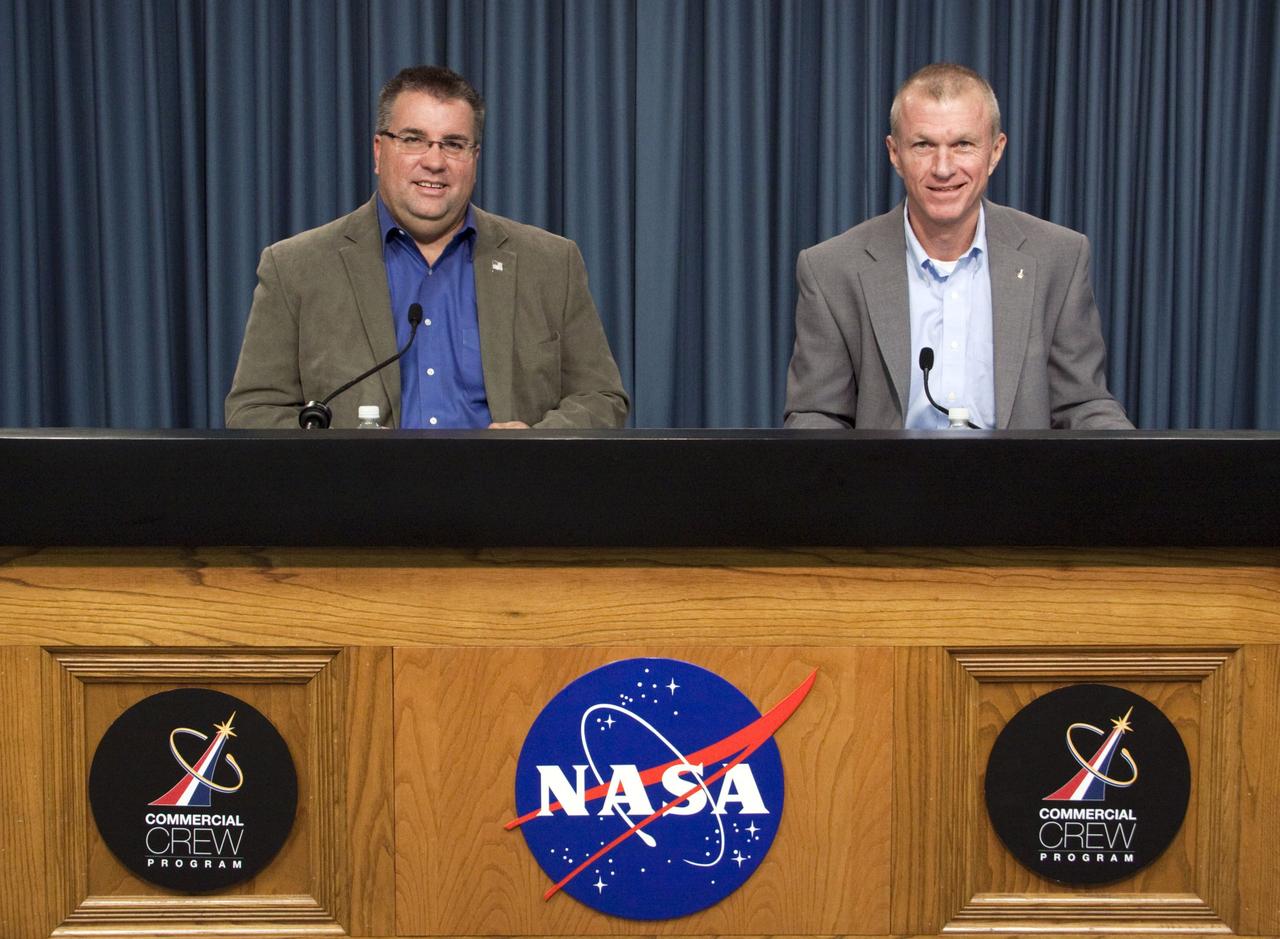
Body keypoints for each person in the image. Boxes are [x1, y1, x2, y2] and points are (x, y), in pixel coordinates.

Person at [226, 65, 628, 429]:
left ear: (474, 158)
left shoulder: (551, 263)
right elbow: (254, 411)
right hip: (360, 504)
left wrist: (535, 443)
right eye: (414, 139)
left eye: (453, 144)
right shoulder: (295, 267)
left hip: (505, 499)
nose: (435, 162)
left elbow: (600, 398)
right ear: (379, 152)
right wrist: (340, 454)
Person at [784, 63, 1132, 430]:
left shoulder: (1058, 257)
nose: (943, 168)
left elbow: (1082, 405)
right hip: (886, 485)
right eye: (923, 145)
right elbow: (816, 416)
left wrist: (1139, 465)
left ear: (995, 152)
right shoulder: (831, 269)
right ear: (894, 153)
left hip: (1019, 485)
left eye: (963, 144)